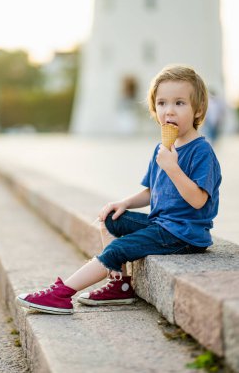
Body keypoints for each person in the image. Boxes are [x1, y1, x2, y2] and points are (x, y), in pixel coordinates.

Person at [16, 65, 222, 315]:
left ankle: (62, 294)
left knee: (116, 249)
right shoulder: (163, 148)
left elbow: (199, 200)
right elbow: (151, 191)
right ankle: (119, 285)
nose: (169, 110)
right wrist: (124, 203)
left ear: (198, 109)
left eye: (179, 103)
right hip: (163, 224)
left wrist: (173, 168)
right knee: (112, 219)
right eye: (161, 103)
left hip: (183, 234)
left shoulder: (201, 151)